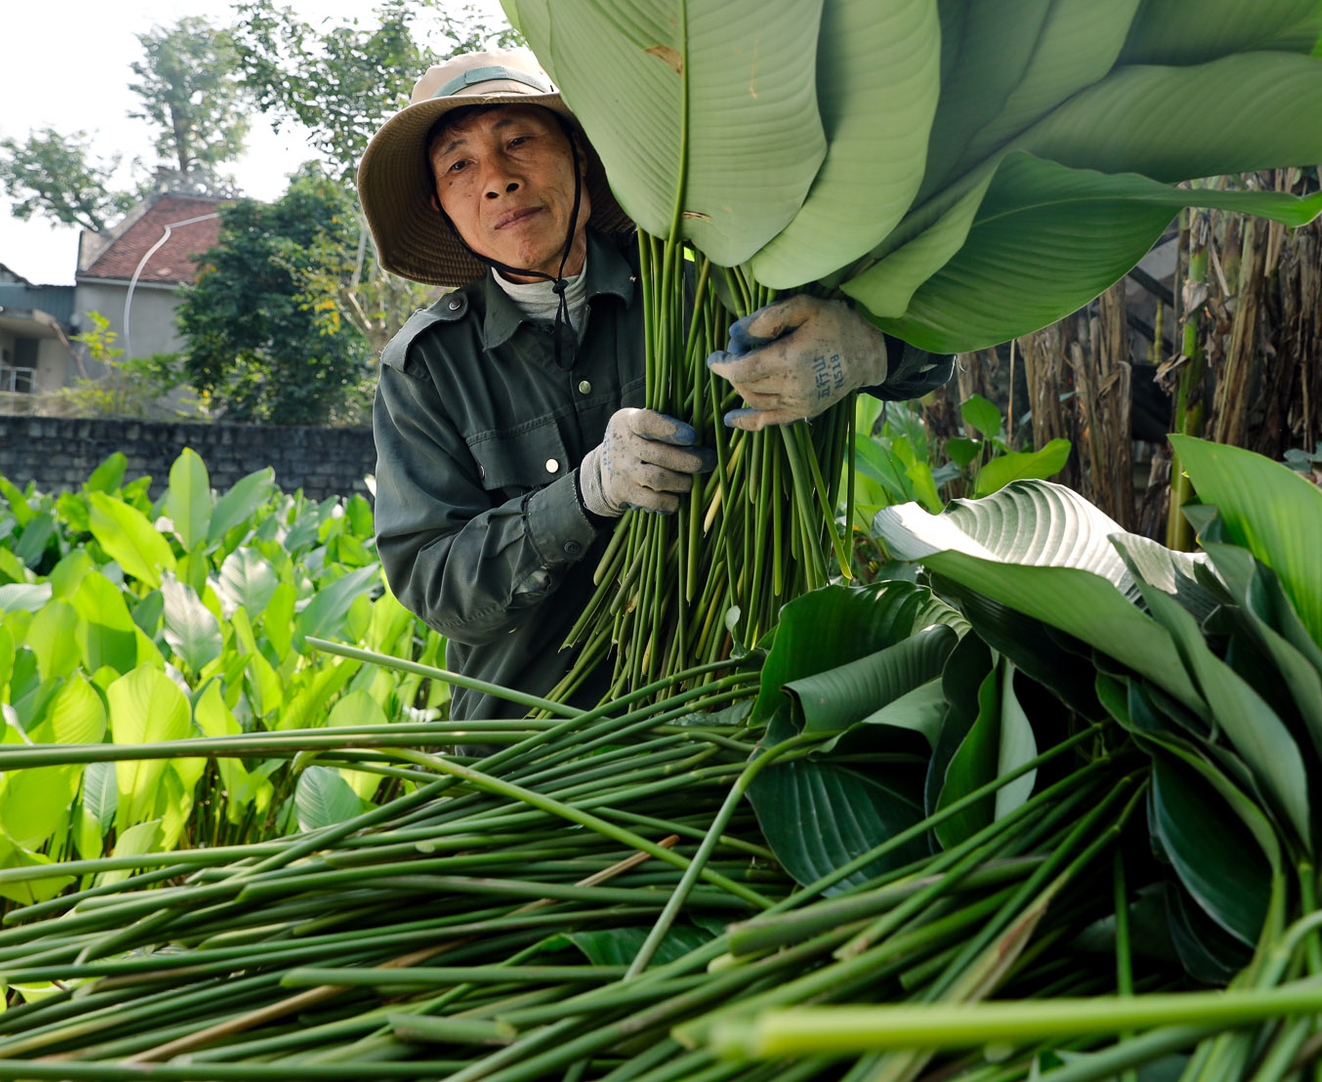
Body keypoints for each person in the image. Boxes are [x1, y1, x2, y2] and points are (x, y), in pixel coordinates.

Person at [356, 50, 953, 720]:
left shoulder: (710, 283)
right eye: (459, 164)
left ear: (580, 155)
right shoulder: (428, 367)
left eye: (518, 139)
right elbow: (436, 584)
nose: (497, 180)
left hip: (730, 721)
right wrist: (585, 492)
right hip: (532, 754)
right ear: (441, 205)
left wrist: (867, 352)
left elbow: (931, 350)